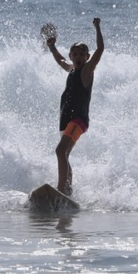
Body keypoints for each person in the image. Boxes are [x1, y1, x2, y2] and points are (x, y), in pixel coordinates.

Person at [46, 17, 104, 196]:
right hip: (67, 119)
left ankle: (61, 190)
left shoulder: (87, 71)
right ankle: (68, 191)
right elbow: (60, 60)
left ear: (87, 57)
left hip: (78, 120)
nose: (78, 57)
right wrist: (52, 46)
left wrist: (97, 27)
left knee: (60, 150)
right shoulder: (70, 69)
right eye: (75, 54)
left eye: (82, 54)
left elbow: (100, 49)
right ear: (71, 56)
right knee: (64, 154)